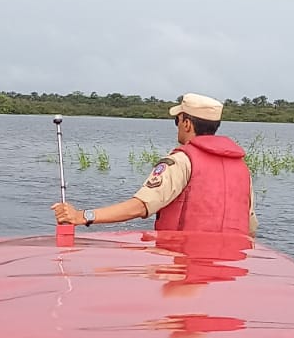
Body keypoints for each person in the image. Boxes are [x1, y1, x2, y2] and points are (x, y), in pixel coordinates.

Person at [51, 92, 257, 235]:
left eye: (178, 121)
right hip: (228, 270)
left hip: (182, 263)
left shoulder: (181, 161)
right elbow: (250, 227)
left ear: (187, 123)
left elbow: (139, 207)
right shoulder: (241, 168)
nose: (177, 126)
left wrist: (82, 216)